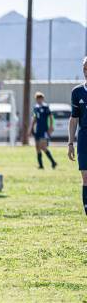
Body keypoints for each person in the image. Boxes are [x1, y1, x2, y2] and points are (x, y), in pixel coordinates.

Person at [67, 56, 87, 215]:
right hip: (84, 139)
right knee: (85, 177)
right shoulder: (77, 92)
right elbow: (74, 120)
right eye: (85, 69)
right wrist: (70, 143)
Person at [29, 92, 57, 169]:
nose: (39, 100)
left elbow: (51, 117)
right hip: (37, 130)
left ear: (43, 99)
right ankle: (41, 165)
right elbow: (34, 118)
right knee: (37, 147)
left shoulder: (46, 107)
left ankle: (53, 162)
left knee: (43, 147)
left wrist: (51, 127)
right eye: (37, 98)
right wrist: (31, 128)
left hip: (44, 130)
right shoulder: (36, 107)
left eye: (40, 98)